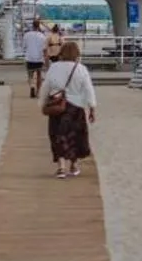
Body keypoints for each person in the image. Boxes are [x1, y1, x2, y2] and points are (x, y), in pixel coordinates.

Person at [39, 40, 96, 178]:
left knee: (58, 135)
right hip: (76, 108)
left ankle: (61, 167)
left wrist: (42, 103)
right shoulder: (81, 68)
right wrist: (92, 107)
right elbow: (88, 89)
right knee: (75, 136)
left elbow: (46, 87)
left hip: (58, 106)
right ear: (77, 54)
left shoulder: (54, 67)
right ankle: (74, 165)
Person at [22, 18, 49, 98]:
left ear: (32, 25)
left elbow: (24, 46)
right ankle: (37, 92)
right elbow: (45, 49)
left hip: (29, 58)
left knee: (30, 75)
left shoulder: (27, 35)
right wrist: (46, 60)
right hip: (39, 58)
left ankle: (32, 87)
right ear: (39, 26)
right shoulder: (42, 36)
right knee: (39, 75)